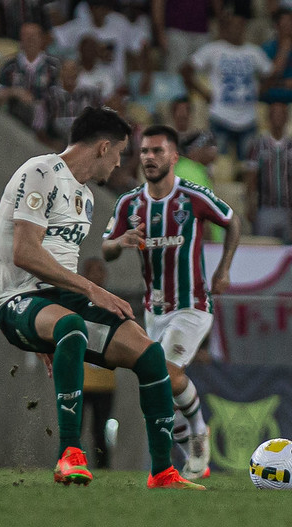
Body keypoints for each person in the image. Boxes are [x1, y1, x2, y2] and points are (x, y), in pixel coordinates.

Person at [0, 106, 203, 490]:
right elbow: (24, 252)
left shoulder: (85, 196)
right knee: (71, 326)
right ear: (103, 147)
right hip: (16, 299)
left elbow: (61, 271)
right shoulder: (40, 171)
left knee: (151, 355)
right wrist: (90, 290)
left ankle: (163, 472)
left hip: (54, 306)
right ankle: (70, 454)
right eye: (121, 152)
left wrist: (51, 325)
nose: (122, 163)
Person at [102, 124, 241, 479]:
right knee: (155, 385)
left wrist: (223, 271)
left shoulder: (192, 197)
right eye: (145, 151)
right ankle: (191, 454)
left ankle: (198, 433)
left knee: (165, 372)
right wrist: (122, 242)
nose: (149, 157)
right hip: (154, 310)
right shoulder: (129, 204)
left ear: (174, 157)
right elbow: (106, 249)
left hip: (192, 305)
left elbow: (232, 221)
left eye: (157, 151)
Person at [181, 10, 273, 160]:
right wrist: (203, 92)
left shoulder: (254, 52)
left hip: (248, 119)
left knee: (250, 165)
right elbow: (185, 70)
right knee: (218, 165)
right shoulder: (214, 49)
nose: (236, 29)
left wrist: (259, 91)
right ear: (225, 28)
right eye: (232, 25)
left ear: (245, 27)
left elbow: (271, 73)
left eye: (240, 25)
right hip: (220, 118)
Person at [244, 102, 292, 240]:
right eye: (274, 114)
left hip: (290, 208)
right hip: (265, 208)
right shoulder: (257, 145)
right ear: (268, 118)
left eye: (282, 114)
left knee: (288, 246)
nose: (278, 118)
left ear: (287, 118)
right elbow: (251, 178)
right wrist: (250, 203)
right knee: (264, 248)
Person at [79, 257, 117, 469]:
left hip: (104, 382)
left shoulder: (112, 304)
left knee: (100, 431)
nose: (97, 275)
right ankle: (72, 463)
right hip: (81, 380)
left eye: (100, 271)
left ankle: (104, 468)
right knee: (76, 428)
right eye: (92, 271)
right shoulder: (78, 302)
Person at [0, 22, 60, 130]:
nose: (30, 39)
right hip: (11, 121)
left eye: (33, 36)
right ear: (21, 39)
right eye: (26, 36)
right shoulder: (10, 64)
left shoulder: (53, 67)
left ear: (41, 39)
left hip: (43, 125)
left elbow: (60, 99)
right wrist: (14, 92)